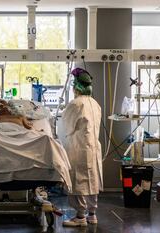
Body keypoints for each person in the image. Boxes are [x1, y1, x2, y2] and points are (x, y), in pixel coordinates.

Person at [62, 68, 103, 227]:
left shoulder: (76, 104)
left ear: (76, 87)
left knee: (79, 181)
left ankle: (80, 217)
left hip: (79, 147)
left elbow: (66, 127)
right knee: (92, 180)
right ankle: (92, 214)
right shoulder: (95, 104)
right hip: (93, 147)